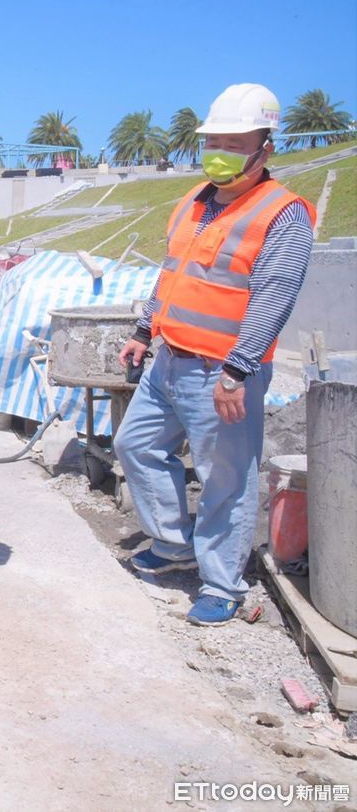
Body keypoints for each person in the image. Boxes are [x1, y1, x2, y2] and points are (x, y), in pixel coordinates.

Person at [116, 83, 315, 627]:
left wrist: (237, 370)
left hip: (221, 373)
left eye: (234, 142)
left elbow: (274, 299)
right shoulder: (196, 200)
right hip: (169, 360)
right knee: (135, 445)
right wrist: (144, 329)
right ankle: (174, 543)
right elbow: (172, 274)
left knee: (225, 478)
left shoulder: (283, 214)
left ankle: (222, 583)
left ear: (265, 148)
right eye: (213, 141)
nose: (219, 151)